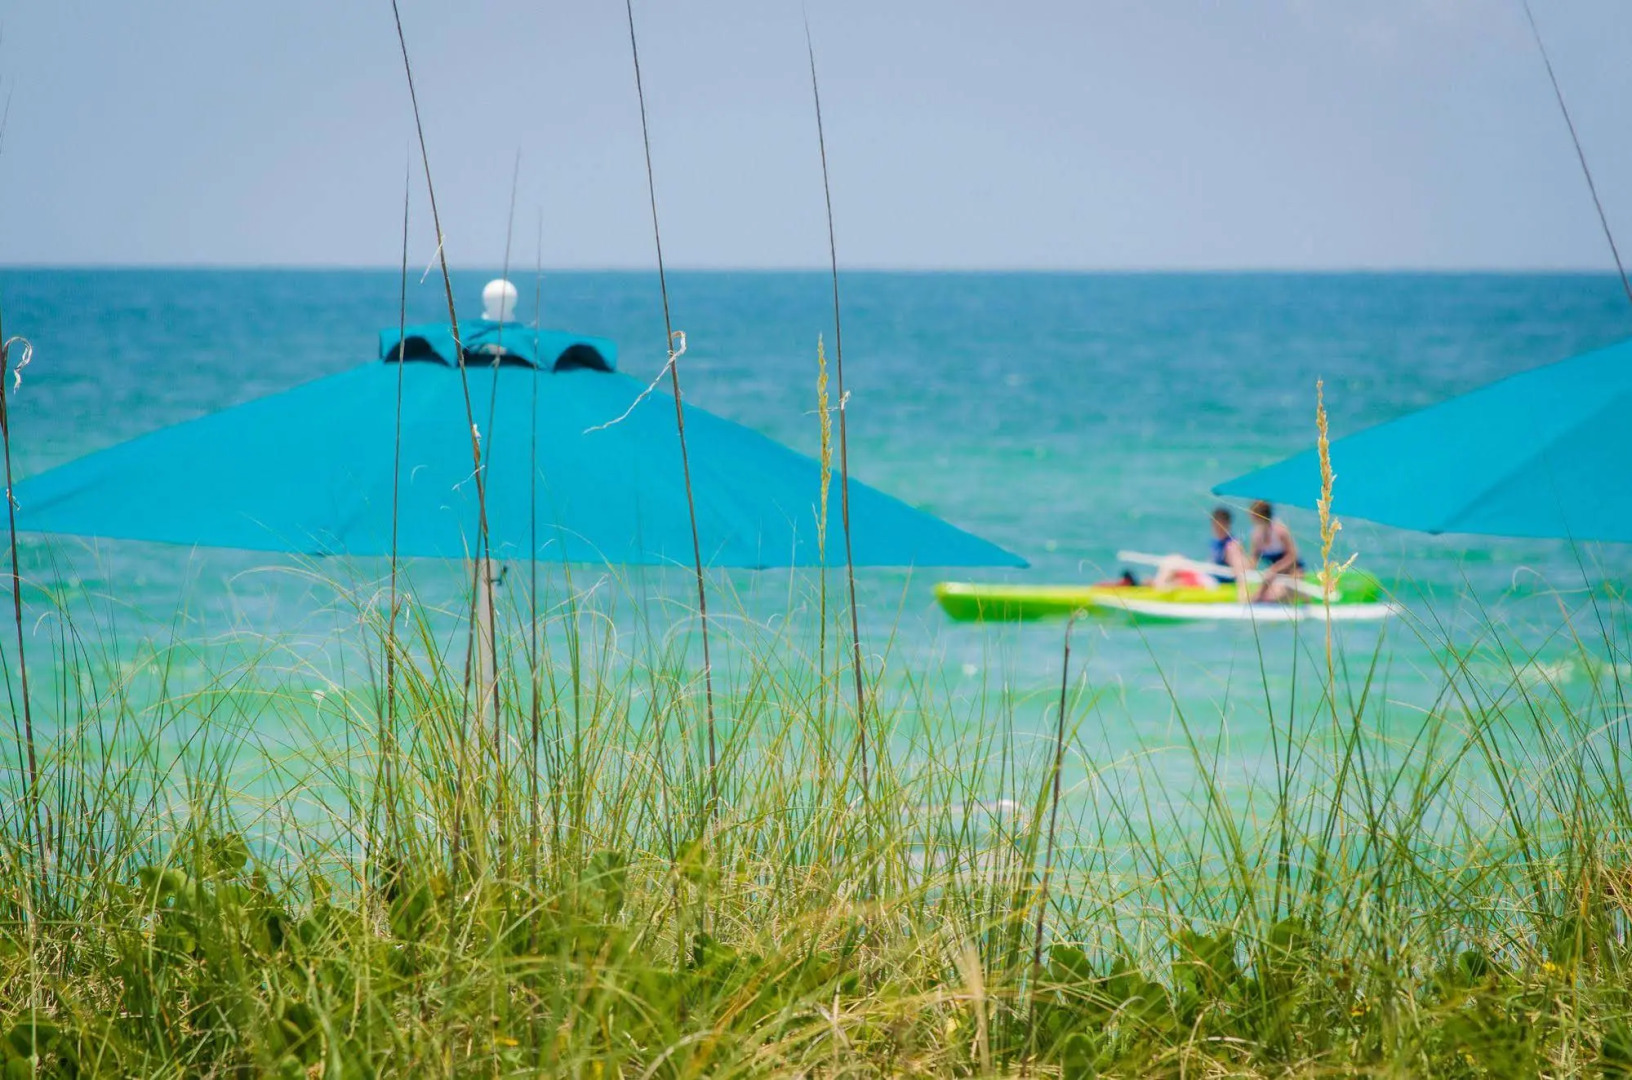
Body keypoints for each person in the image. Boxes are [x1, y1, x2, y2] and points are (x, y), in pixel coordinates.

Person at [1152, 506, 1252, 601]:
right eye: (1215, 524)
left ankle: (1157, 590)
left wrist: (1242, 590)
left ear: (1227, 524)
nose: (1217, 527)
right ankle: (1158, 586)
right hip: (1208, 576)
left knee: (1174, 566)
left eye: (1220, 524)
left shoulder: (1231, 545)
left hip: (1215, 584)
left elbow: (1240, 568)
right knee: (1173, 559)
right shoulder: (1217, 542)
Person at [1247, 500, 1301, 602]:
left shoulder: (1280, 530)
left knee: (1274, 597)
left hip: (1291, 570)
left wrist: (1275, 569)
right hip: (1272, 575)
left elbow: (1293, 555)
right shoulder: (1256, 534)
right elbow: (1254, 558)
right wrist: (1246, 572)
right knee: (1259, 596)